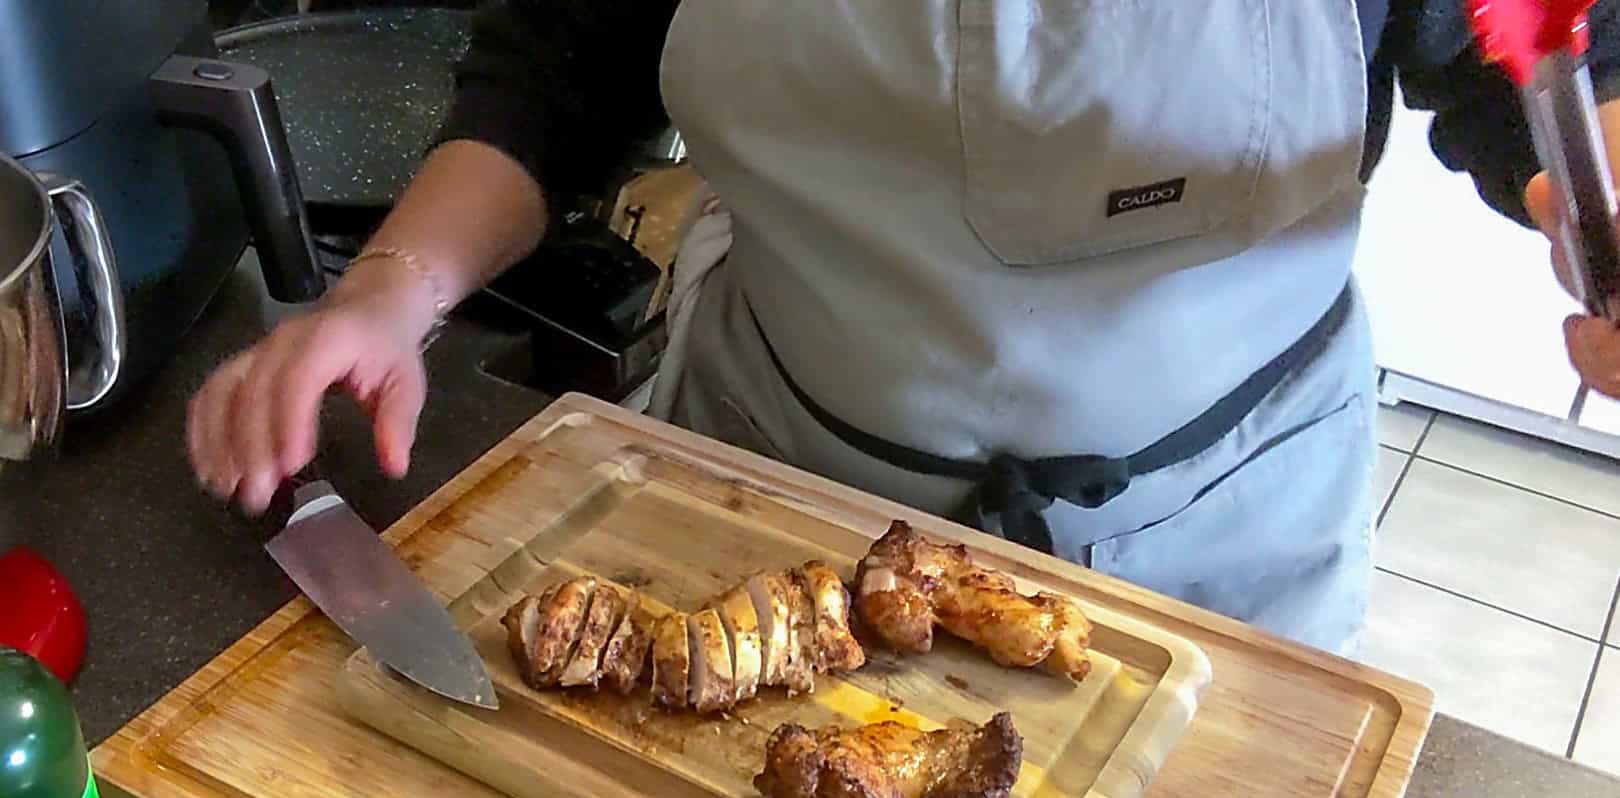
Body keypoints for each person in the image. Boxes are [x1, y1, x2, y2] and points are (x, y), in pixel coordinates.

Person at [186, 1, 1620, 656]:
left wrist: (1597, 175)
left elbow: (1546, 58)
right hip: (774, 494)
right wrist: (390, 288)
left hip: (1219, 540)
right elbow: (563, 59)